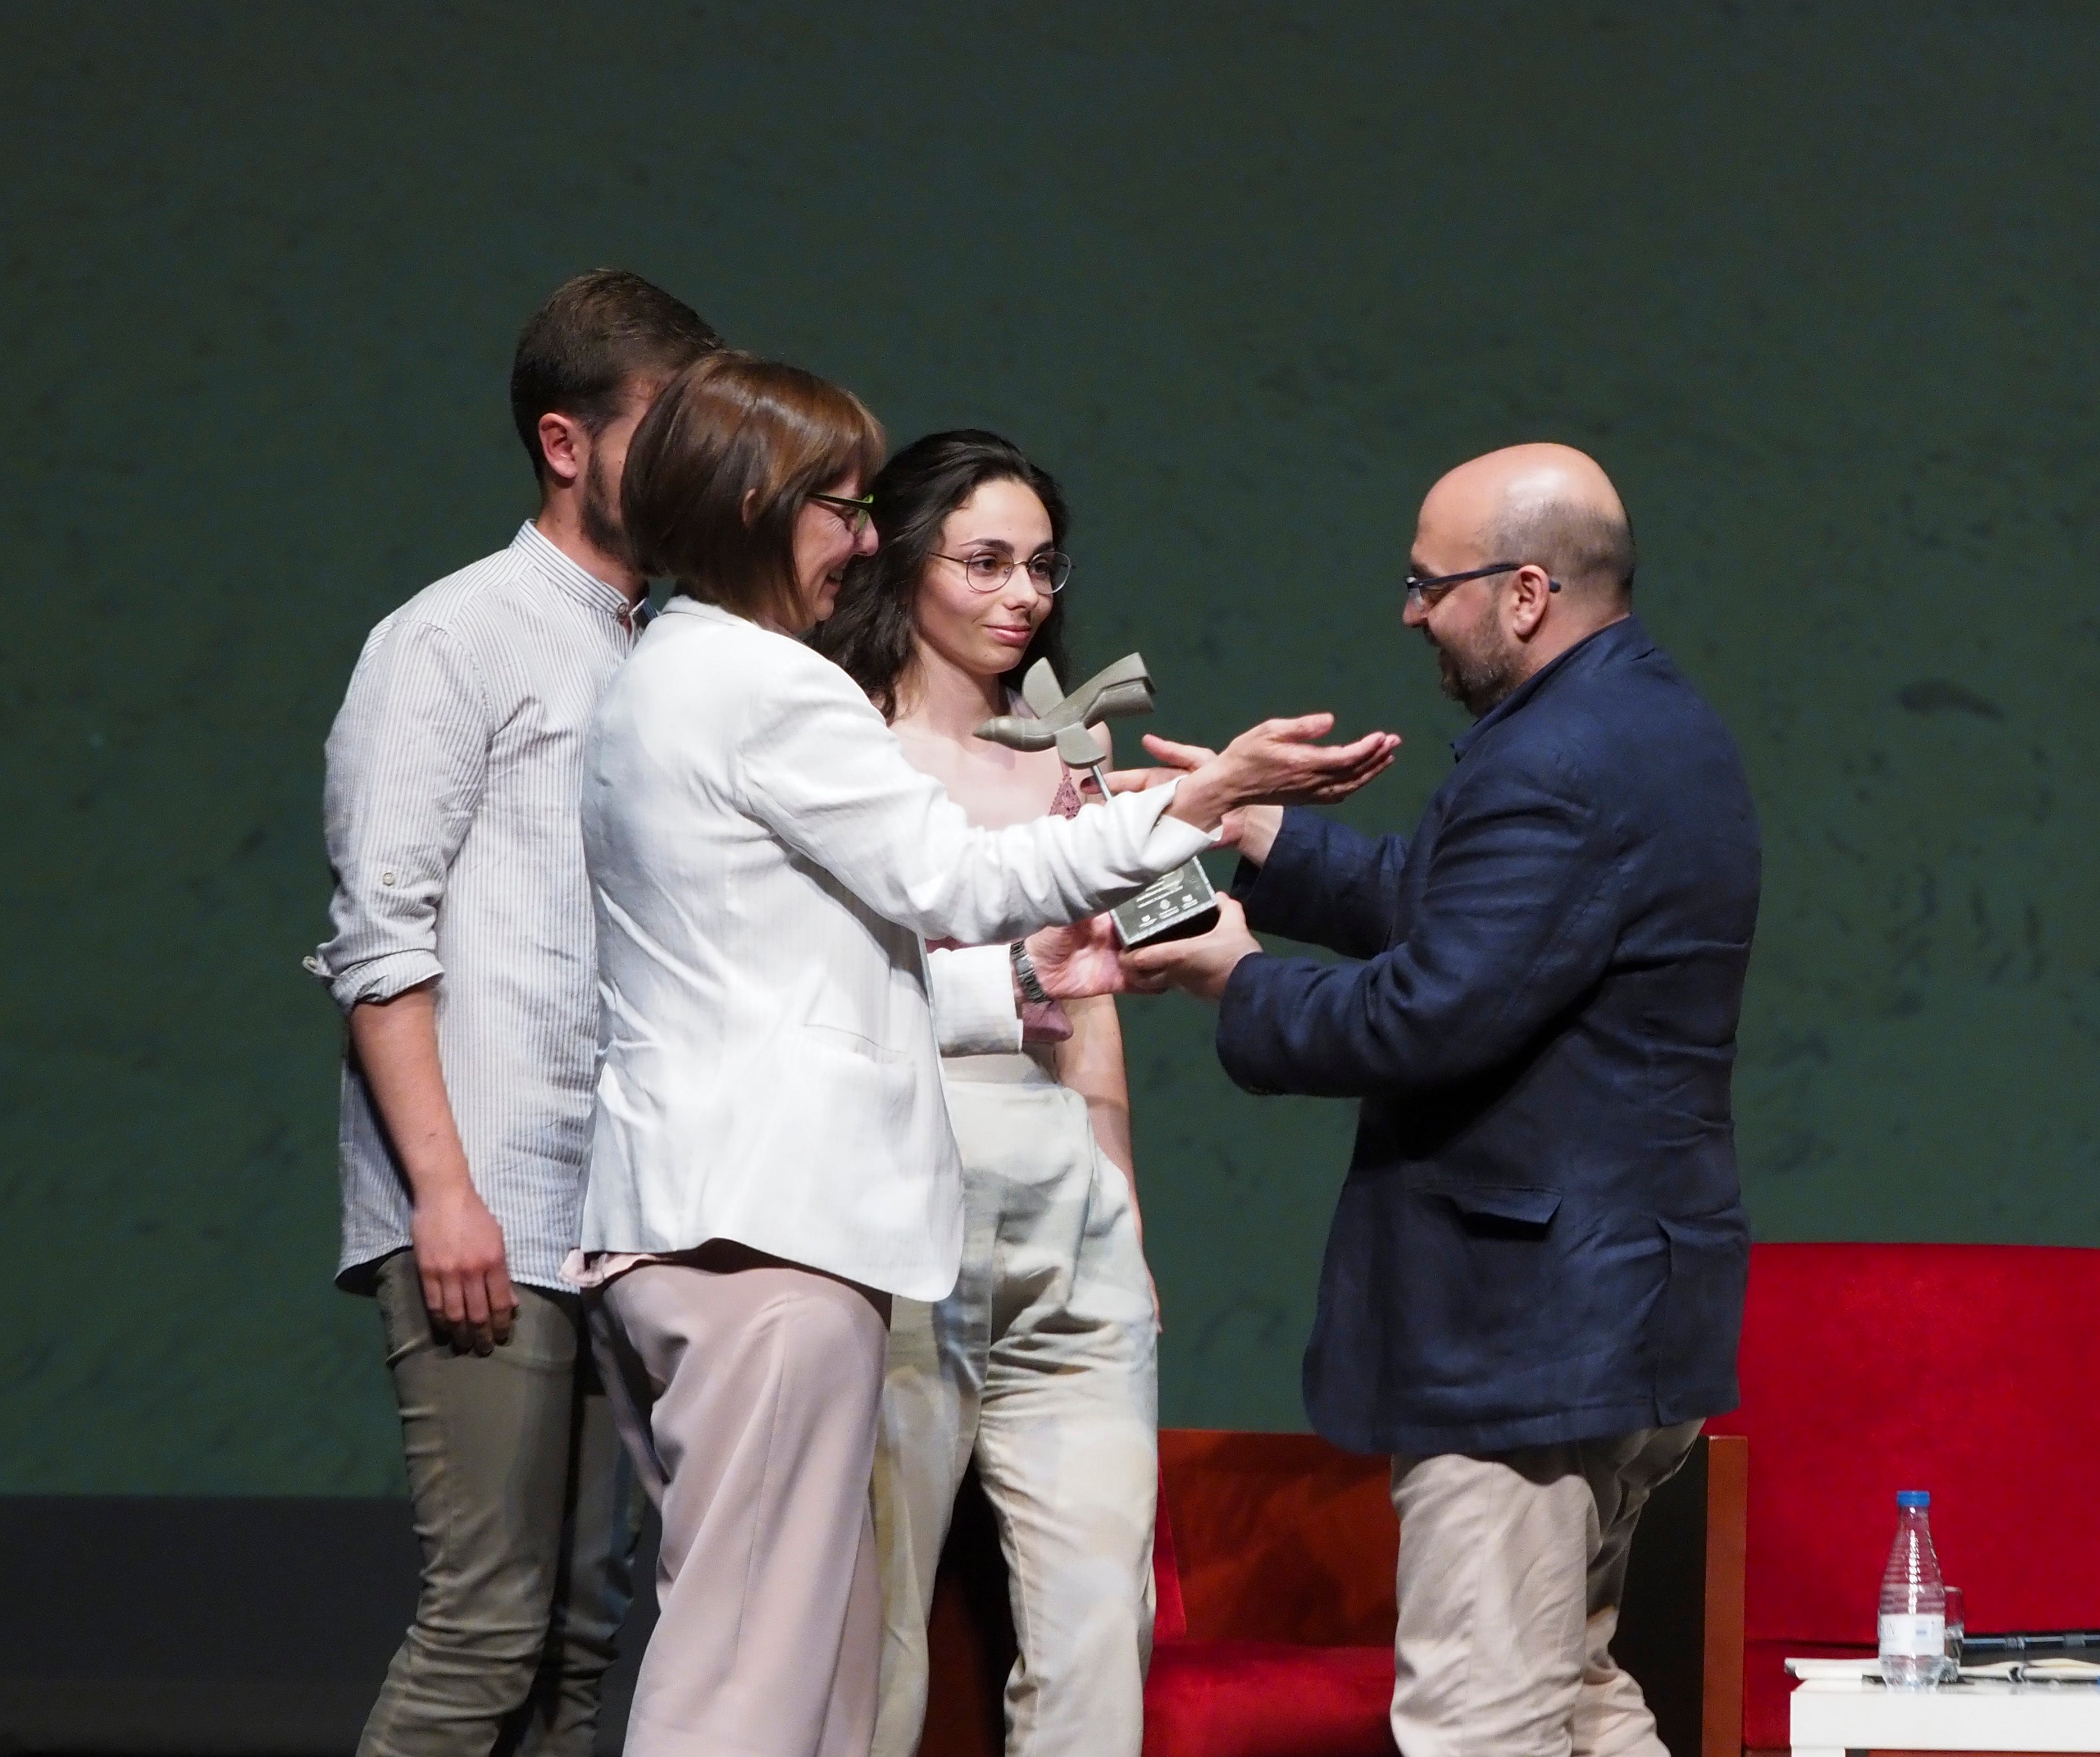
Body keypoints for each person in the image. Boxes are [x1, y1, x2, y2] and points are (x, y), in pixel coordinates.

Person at [572, 354, 1397, 1757]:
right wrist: (1204, 799)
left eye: (1042, 564)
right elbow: (951, 888)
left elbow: (1065, 968)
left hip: (844, 1214)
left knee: (827, 1663)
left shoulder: (680, 672)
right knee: (777, 1670)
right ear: (765, 508)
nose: (862, 538)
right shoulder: (783, 695)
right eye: (844, 506)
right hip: (796, 1218)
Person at [1119, 444, 1761, 1757]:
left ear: (1525, 591)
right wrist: (1257, 835)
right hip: (1619, 1311)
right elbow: (1471, 914)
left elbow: (1431, 1009)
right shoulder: (1644, 721)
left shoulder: (1560, 758)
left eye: (1430, 583)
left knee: (1482, 1718)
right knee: (1575, 1696)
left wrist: (1235, 980)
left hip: (1530, 1328)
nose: (1410, 611)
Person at [306, 270, 721, 1757]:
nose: (696, 468)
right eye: (666, 429)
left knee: (577, 1646)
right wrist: (444, 1194)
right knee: (483, 1627)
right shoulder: (452, 638)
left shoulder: (659, 648)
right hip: (481, 1201)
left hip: (603, 1204)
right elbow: (378, 935)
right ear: (566, 442)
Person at [814, 430, 1160, 1757]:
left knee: (1097, 1622)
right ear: (905, 563)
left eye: (1042, 567)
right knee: (878, 1627)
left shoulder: (1068, 763)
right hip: (909, 1188)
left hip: (1063, 1210)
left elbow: (1089, 1010)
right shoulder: (843, 753)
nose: (1024, 594)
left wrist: (1120, 1208)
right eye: (987, 562)